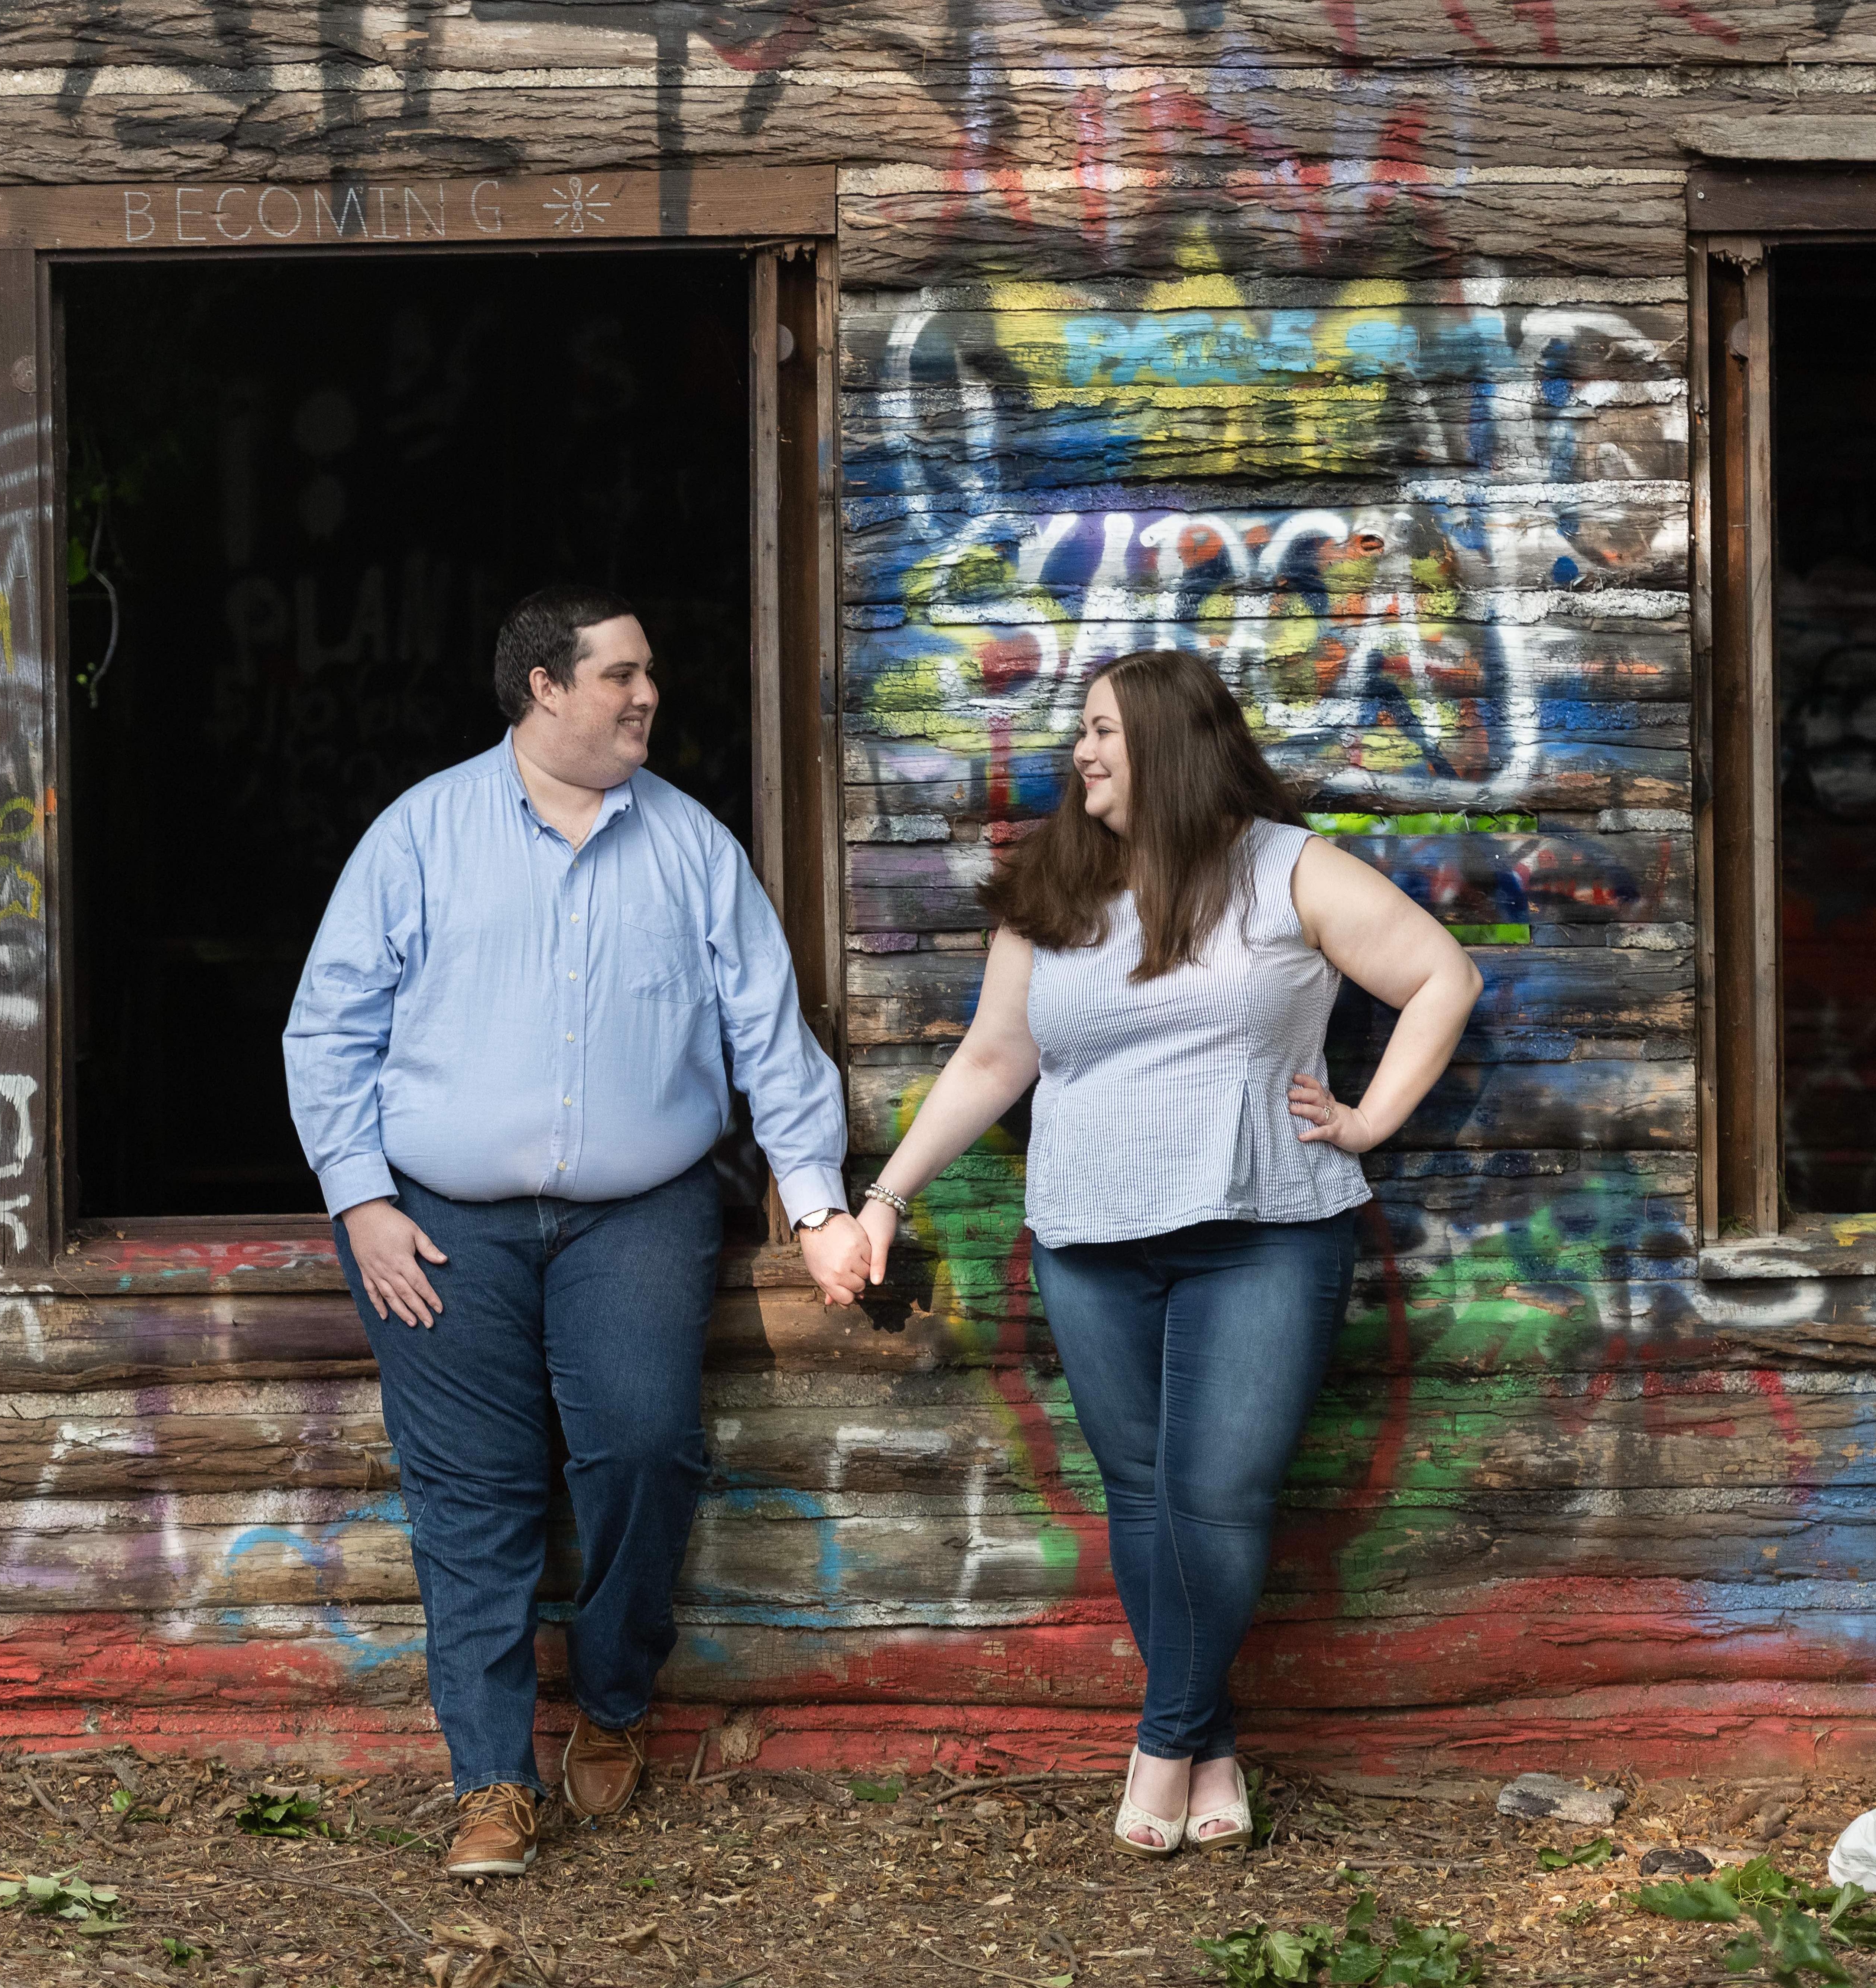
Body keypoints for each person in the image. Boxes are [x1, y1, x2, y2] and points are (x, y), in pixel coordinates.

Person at [851, 649, 1481, 1859]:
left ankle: (1162, 1742)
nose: (1080, 752)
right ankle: (1214, 1743)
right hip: (1090, 1240)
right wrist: (887, 1194)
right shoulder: (1057, 884)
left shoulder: (1283, 870)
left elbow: (1441, 977)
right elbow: (995, 1059)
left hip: (1266, 1234)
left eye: (1103, 731)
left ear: (1173, 742)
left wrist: (1369, 1120)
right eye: (1077, 732)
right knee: (1143, 1499)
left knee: (1220, 1497)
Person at [283, 585, 872, 1879]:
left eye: (648, 672)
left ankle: (612, 1702)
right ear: (544, 689)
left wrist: (819, 1204)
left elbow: (770, 1038)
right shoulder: (419, 836)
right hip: (438, 1225)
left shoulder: (692, 846)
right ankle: (490, 1783)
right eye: (621, 675)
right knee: (471, 1500)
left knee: (648, 1450)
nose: (647, 693)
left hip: (638, 1211)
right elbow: (328, 1032)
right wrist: (363, 1201)